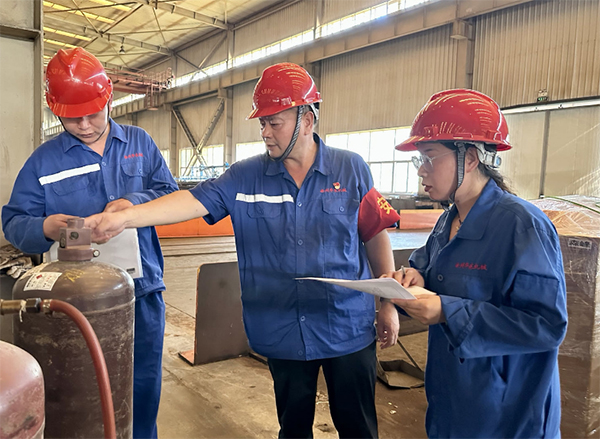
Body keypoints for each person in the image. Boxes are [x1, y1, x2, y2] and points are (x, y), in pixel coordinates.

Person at [84, 62, 401, 438]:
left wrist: (388, 303)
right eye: (262, 123)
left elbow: (375, 234)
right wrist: (128, 217)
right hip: (283, 329)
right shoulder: (245, 176)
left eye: (274, 123)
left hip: (346, 325)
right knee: (293, 428)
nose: (265, 133)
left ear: (306, 119)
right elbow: (191, 201)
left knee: (359, 427)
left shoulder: (351, 169)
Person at [1, 47, 178, 439]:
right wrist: (45, 226)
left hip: (143, 291)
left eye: (92, 114)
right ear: (55, 110)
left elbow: (169, 194)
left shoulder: (140, 143)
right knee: (80, 390)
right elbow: (13, 222)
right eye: (71, 117)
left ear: (108, 97)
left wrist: (134, 203)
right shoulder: (44, 162)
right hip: (75, 302)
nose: (83, 125)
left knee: (142, 387)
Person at [386, 89, 568, 438]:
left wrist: (447, 311)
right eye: (419, 159)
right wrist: (414, 277)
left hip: (508, 415)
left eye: (429, 157)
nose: (421, 170)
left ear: (469, 158)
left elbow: (546, 326)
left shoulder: (522, 226)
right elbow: (431, 272)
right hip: (454, 401)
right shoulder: (448, 220)